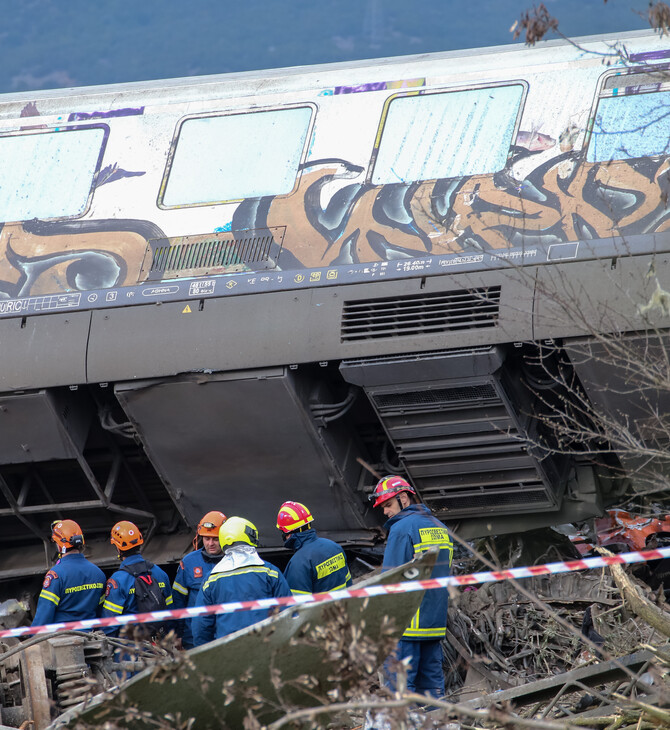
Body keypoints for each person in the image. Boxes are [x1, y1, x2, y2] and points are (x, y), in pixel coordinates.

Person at [370, 475, 453, 699]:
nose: (385, 512)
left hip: (405, 627)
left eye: (387, 505)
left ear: (404, 498)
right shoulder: (441, 527)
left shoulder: (401, 529)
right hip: (434, 624)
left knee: (399, 696)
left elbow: (391, 580)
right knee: (432, 695)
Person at [192, 516, 291, 645]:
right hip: (266, 646)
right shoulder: (270, 572)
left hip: (228, 651)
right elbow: (288, 612)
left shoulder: (211, 580)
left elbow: (201, 626)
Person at [101, 520, 173, 636]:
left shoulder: (117, 581)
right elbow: (171, 613)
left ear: (118, 548)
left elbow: (110, 623)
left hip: (132, 648)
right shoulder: (160, 574)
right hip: (161, 645)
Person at [33, 519, 105, 627]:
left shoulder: (55, 575)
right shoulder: (98, 573)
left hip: (62, 638)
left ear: (59, 545)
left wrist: (31, 635)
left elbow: (45, 612)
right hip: (91, 636)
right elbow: (101, 610)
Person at [172, 510, 227, 648]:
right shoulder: (189, 562)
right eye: (207, 538)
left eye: (215, 538)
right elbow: (178, 601)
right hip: (194, 637)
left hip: (225, 634)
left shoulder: (233, 561)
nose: (210, 543)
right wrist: (178, 634)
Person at [276, 501, 352, 594]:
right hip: (343, 606)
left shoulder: (298, 563)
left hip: (323, 609)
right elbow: (348, 583)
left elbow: (297, 604)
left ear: (288, 533)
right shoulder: (335, 547)